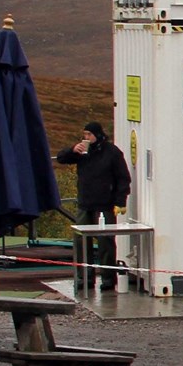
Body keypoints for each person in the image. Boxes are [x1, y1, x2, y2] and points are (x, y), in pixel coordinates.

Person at [56, 122, 132, 291]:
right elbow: (61, 158)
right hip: (85, 203)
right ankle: (84, 277)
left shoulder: (112, 152)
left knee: (106, 243)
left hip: (105, 204)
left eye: (89, 134)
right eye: (85, 135)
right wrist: (72, 150)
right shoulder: (82, 151)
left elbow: (123, 177)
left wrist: (120, 201)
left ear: (98, 135)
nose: (86, 138)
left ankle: (108, 278)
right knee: (81, 241)